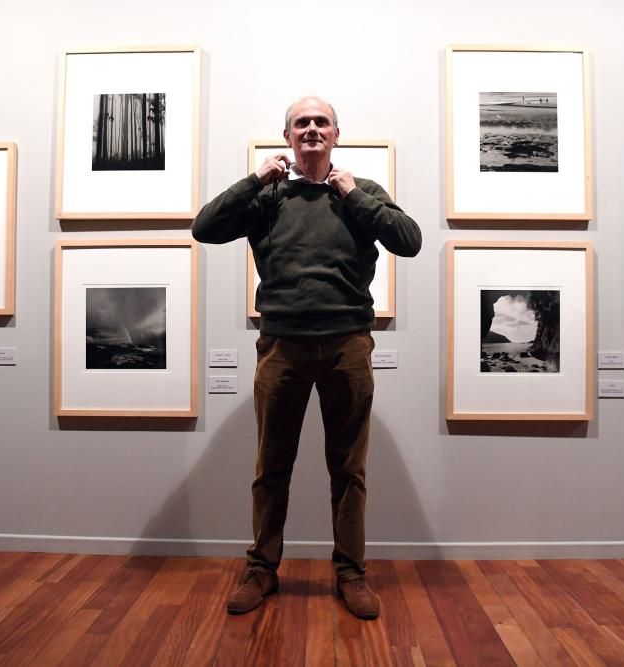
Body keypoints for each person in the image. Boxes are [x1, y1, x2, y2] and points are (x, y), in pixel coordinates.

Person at [192, 96, 421, 620]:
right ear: (287, 136)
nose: (311, 129)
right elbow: (204, 228)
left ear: (337, 135)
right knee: (271, 465)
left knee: (349, 468)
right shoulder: (269, 196)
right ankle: (261, 569)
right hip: (281, 344)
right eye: (302, 123)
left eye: (321, 122)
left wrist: (351, 193)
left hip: (347, 344)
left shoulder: (362, 194)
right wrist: (254, 180)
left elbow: (409, 241)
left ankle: (351, 573)